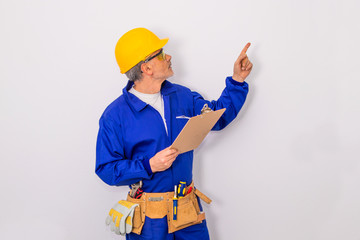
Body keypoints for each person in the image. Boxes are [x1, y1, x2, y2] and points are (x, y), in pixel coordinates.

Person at [95, 27, 253, 240]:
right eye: (161, 54)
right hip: (149, 222)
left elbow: (217, 118)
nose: (169, 56)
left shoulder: (182, 96)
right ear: (146, 67)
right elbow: (106, 169)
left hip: (188, 213)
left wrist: (237, 81)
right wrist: (149, 165)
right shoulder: (115, 116)